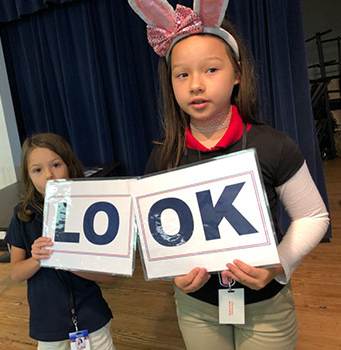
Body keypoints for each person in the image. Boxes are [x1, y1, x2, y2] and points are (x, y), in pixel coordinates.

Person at [128, 1, 330, 349]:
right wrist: (171, 273)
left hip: (266, 306)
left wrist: (278, 266)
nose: (195, 85)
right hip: (197, 307)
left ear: (236, 72)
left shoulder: (272, 145)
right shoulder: (163, 157)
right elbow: (154, 234)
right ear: (170, 82)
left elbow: (313, 216)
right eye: (182, 74)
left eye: (210, 70)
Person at [5, 133, 116, 350]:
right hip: (48, 324)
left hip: (91, 317)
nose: (49, 175)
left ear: (69, 165)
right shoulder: (23, 216)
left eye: (56, 165)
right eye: (37, 170)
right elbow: (16, 273)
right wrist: (38, 259)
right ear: (28, 176)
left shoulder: (90, 211)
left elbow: (108, 276)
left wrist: (72, 263)